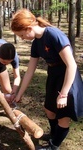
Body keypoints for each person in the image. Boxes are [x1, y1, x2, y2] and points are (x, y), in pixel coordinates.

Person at [10, 8, 83, 150]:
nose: (22, 38)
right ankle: (54, 135)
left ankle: (54, 146)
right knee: (49, 109)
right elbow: (30, 71)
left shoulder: (53, 34)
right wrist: (19, 94)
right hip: (54, 74)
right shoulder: (36, 42)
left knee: (63, 115)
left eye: (22, 35)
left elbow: (71, 65)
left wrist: (63, 94)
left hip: (68, 76)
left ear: (29, 28)